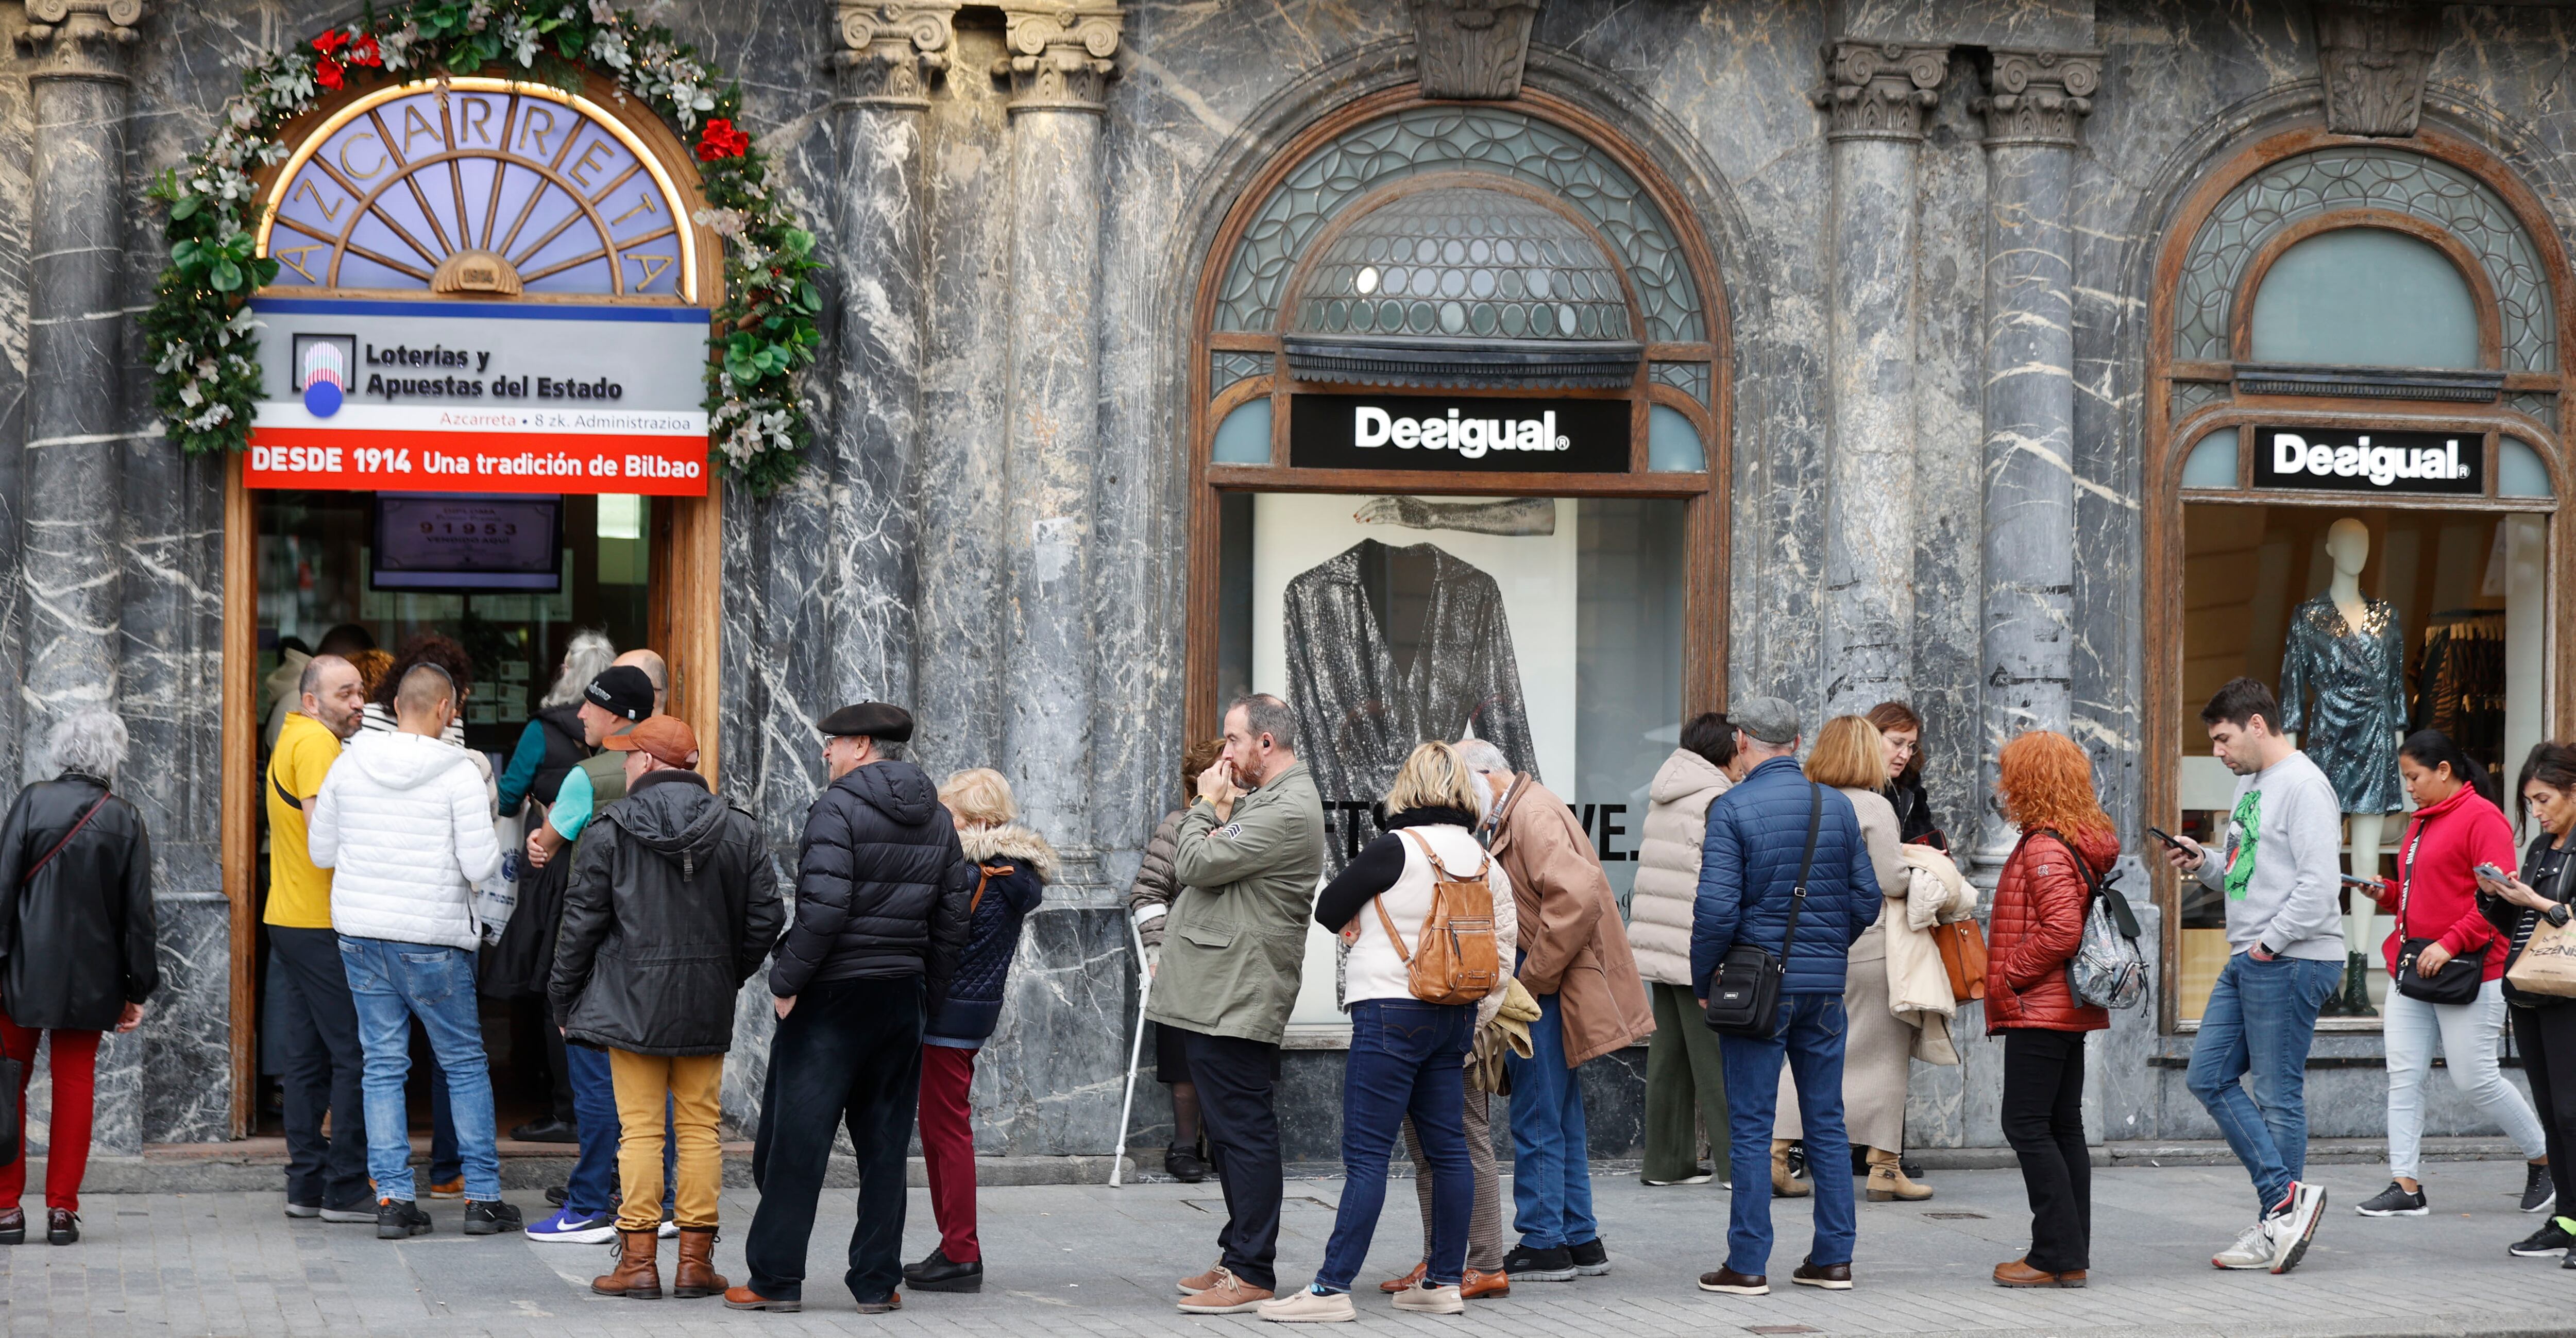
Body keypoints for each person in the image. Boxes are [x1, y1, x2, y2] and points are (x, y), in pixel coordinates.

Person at [730, 702, 973, 1316]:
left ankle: (775, 1279)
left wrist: (785, 979)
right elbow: (951, 922)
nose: (825, 752)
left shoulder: (836, 808)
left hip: (833, 996)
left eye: (833, 742)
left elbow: (824, 910)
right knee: (886, 1147)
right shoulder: (939, 819)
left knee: (795, 1145)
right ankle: (875, 1282)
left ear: (861, 745)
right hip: (901, 997)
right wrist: (926, 996)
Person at [1259, 742, 1503, 1322]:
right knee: (1449, 1152)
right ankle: (1443, 1281)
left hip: (1390, 1011)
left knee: (1367, 1156)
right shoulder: (1479, 855)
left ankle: (1330, 1290)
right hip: (1453, 1014)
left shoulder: (1396, 848)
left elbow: (1327, 907)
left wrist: (1360, 913)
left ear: (1407, 785)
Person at [550, 715, 782, 1301]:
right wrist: (725, 972)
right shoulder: (737, 827)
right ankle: (695, 1266)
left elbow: (580, 925)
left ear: (649, 763)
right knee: (701, 1128)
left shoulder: (609, 829)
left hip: (631, 1004)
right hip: (704, 1001)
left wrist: (564, 996)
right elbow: (767, 918)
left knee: (641, 1133)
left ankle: (638, 1264)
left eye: (630, 758)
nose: (626, 766)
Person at [307, 664, 519, 1241]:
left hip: (362, 934)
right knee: (464, 1064)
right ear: (446, 708)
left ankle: (393, 1201)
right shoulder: (458, 772)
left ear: (396, 705)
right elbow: (480, 865)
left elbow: (321, 851)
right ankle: (481, 1200)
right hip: (433, 939)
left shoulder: (349, 762)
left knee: (382, 1066)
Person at [1689, 695, 1879, 1296]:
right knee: (1825, 1119)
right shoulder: (1837, 808)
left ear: (1741, 740)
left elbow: (1716, 910)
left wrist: (1704, 979)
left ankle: (1746, 1264)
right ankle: (1832, 1259)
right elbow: (1866, 900)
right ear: (1796, 743)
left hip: (1754, 988)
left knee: (1750, 1124)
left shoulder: (1731, 808)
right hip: (1822, 988)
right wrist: (1825, 950)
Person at [1146, 694, 1325, 1315]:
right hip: (1220, 988)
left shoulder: (1286, 809)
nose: (1224, 753)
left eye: (1232, 741)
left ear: (1265, 745)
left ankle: (1251, 1269)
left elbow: (1191, 862)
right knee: (1228, 1131)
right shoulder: (1269, 802)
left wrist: (1203, 806)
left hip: (1238, 992)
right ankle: (1236, 1254)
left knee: (1242, 1133)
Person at [1458, 735, 1654, 1284]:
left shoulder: (1530, 813)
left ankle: (1544, 1240)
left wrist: (1529, 978)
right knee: (1558, 1111)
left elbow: (1576, 896)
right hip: (1551, 977)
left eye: (1459, 786)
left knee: (1538, 1110)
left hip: (1544, 980)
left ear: (1484, 775)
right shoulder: (1526, 807)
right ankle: (1579, 1237)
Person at [2163, 677, 2340, 1274]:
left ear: (2257, 726)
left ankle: (2278, 1223)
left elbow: (2319, 886)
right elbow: (2243, 871)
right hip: (2253, 955)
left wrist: (2269, 942)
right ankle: (2283, 1201)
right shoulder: (2251, 783)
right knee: (2206, 1075)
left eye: (2222, 738)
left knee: (2276, 1095)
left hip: (2287, 956)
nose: (2217, 751)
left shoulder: (2304, 785)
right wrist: (2204, 862)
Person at [2353, 731, 2548, 1219]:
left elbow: (2501, 896)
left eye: (2415, 777)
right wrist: (2387, 892)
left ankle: (2547, 1159)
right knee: (2404, 1076)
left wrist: (2450, 942)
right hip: (2415, 965)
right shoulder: (2423, 821)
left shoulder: (2483, 819)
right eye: (2405, 779)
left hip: (2471, 969)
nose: (2409, 788)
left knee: (2475, 1079)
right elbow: (2433, 889)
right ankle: (2406, 1184)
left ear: (2444, 770)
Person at [0, 709, 157, 1247]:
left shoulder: (31, 802)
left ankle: (4, 1208)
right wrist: (137, 989)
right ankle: (63, 1211)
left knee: (8, 1084)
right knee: (75, 1085)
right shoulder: (125, 817)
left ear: (61, 751)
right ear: (112, 757)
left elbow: (1, 892)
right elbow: (139, 916)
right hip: (92, 978)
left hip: (20, 972)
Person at [905, 768, 1056, 1296]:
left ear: (978, 821)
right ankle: (953, 1245)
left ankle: (961, 1251)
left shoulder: (971, 872)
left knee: (946, 1133)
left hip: (945, 1013)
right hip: (972, 1011)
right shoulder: (1010, 872)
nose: (938, 824)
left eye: (948, 815)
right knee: (942, 1129)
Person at [507, 661, 658, 1179]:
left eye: (591, 706)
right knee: (645, 1072)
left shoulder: (586, 776)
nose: (580, 714)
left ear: (615, 717)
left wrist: (538, 837)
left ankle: (595, 1188)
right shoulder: (674, 766)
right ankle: (643, 1186)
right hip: (655, 932)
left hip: (593, 930)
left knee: (587, 1056)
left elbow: (546, 847)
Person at [1772, 716, 1929, 1203]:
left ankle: (1775, 1157)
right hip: (1868, 944)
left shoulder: (1805, 797)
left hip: (1810, 946)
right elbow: (1891, 880)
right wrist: (1925, 870)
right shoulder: (1873, 806)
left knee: (1805, 1058)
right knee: (1885, 1055)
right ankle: (1884, 1169)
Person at [1985, 730, 2118, 1289]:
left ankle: (2050, 1255)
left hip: (2039, 1005)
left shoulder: (2044, 846)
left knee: (2025, 1123)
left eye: (2009, 774)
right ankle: (2068, 1255)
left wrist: (2010, 975)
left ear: (2028, 781)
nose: (2002, 784)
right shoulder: (2073, 839)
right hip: (2065, 1006)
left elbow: (2061, 930)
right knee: (2061, 1125)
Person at [265, 654, 377, 1225]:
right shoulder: (316, 744)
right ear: (311, 700)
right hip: (318, 922)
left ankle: (306, 1185)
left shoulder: (295, 735)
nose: (357, 703)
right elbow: (323, 839)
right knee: (355, 1055)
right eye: (344, 693)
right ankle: (346, 1187)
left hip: (289, 918)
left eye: (360, 692)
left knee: (307, 1059)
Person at [1631, 712, 1734, 1189]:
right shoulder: (1716, 799)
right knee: (1717, 1057)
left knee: (1669, 1056)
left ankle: (1666, 1164)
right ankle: (1740, 1168)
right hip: (1697, 946)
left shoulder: (1667, 791)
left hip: (1661, 942)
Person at [2483, 742, 2576, 1264]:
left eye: (2543, 800)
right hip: (2529, 991)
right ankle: (2564, 1217)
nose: (2536, 812)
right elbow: (2517, 926)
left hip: (2569, 995)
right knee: (2550, 1113)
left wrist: (2537, 901)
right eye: (2530, 803)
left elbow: (2560, 915)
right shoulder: (2541, 848)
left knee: (2570, 1113)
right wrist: (2494, 896)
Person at [1127, 736, 1226, 1183]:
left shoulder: (1259, 822)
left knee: (1236, 1058)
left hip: (1236, 960)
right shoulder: (1179, 824)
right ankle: (1184, 1144)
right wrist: (1159, 949)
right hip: (1184, 960)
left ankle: (1229, 1145)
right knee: (1185, 1060)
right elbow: (1148, 892)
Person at [497, 629, 616, 819]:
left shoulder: (541, 730)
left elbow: (507, 802)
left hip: (546, 844)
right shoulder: (621, 727)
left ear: (567, 674)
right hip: (610, 843)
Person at [1866, 700, 1946, 851]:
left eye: (1911, 746)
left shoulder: (1911, 788)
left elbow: (1926, 833)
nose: (1905, 755)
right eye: (1898, 743)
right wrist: (1908, 850)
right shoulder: (1849, 788)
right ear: (1872, 738)